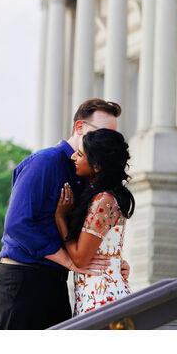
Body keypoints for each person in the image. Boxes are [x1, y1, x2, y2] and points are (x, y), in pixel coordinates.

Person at [0, 98, 129, 329]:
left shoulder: (89, 179)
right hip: (23, 279)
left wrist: (113, 262)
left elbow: (88, 235)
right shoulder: (46, 161)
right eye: (101, 132)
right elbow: (18, 225)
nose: (106, 140)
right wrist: (72, 263)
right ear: (80, 128)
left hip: (57, 282)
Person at [55, 127, 134, 315]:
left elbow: (80, 258)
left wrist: (60, 217)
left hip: (103, 302)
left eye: (80, 154)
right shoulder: (106, 197)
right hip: (97, 298)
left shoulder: (104, 201)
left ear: (97, 166)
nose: (73, 157)